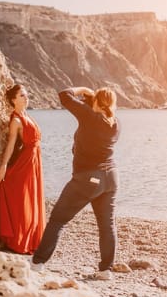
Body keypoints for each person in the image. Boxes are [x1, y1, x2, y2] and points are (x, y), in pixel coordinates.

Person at [32, 86, 120, 280]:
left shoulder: (90, 118)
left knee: (58, 220)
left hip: (88, 179)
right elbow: (92, 111)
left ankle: (37, 263)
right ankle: (106, 270)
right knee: (107, 225)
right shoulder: (114, 123)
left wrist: (85, 90)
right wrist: (92, 99)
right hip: (111, 178)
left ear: (96, 101)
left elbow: (64, 95)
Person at [0, 84, 45, 254]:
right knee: (23, 199)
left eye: (26, 94)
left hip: (34, 161)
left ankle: (31, 237)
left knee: (32, 198)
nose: (26, 97)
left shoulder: (27, 115)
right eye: (22, 95)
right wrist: (3, 166)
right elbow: (11, 145)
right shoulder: (16, 120)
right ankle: (19, 239)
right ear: (13, 100)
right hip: (25, 162)